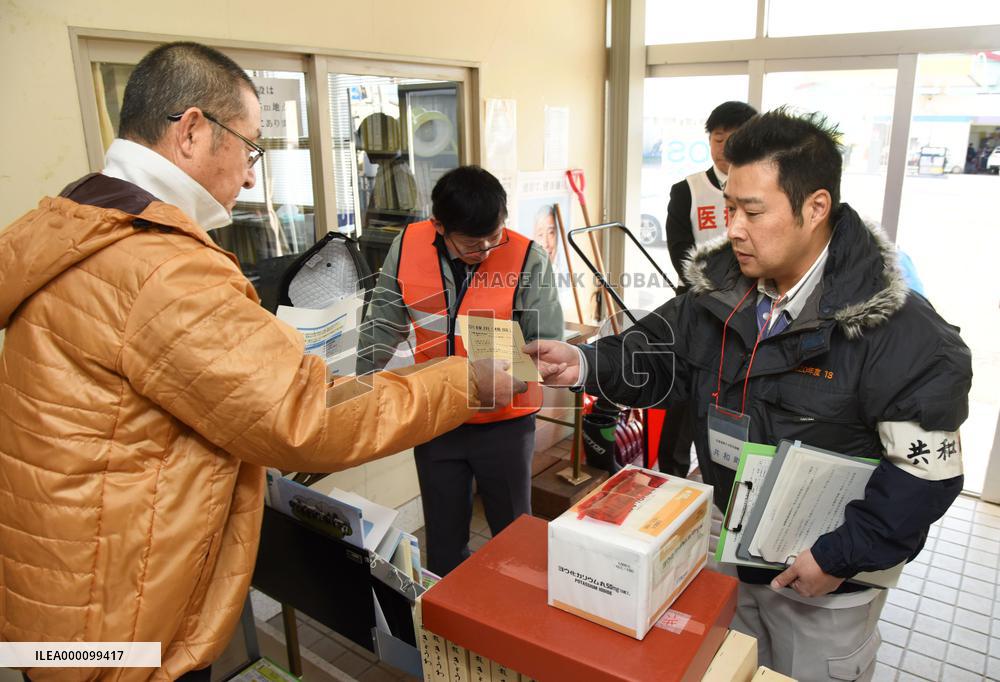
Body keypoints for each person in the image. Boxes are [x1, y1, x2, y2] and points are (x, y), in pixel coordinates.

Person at [0, 42, 522, 682]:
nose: (251, 176)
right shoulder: (161, 269)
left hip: (61, 599)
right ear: (192, 129)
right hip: (121, 625)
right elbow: (310, 419)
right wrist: (465, 381)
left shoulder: (77, 217)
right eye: (249, 149)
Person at [526, 108, 971, 681]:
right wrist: (583, 362)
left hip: (823, 586)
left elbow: (924, 475)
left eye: (752, 211)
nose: (732, 227)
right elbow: (662, 356)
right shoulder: (718, 292)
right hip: (728, 552)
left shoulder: (903, 335)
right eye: (730, 207)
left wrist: (838, 558)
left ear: (815, 208)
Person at [358, 166, 563, 576]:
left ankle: (512, 626)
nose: (486, 249)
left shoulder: (528, 256)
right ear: (439, 226)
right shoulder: (407, 245)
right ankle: (449, 631)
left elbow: (546, 348)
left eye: (495, 236)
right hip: (436, 420)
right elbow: (381, 325)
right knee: (445, 541)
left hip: (504, 425)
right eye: (473, 243)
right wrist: (354, 388)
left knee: (514, 540)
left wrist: (513, 381)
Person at [657, 101, 757, 478]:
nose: (726, 147)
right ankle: (672, 475)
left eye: (736, 139)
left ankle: (729, 480)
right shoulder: (687, 190)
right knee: (684, 396)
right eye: (718, 139)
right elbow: (681, 254)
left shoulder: (766, 191)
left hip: (753, 313)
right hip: (701, 308)